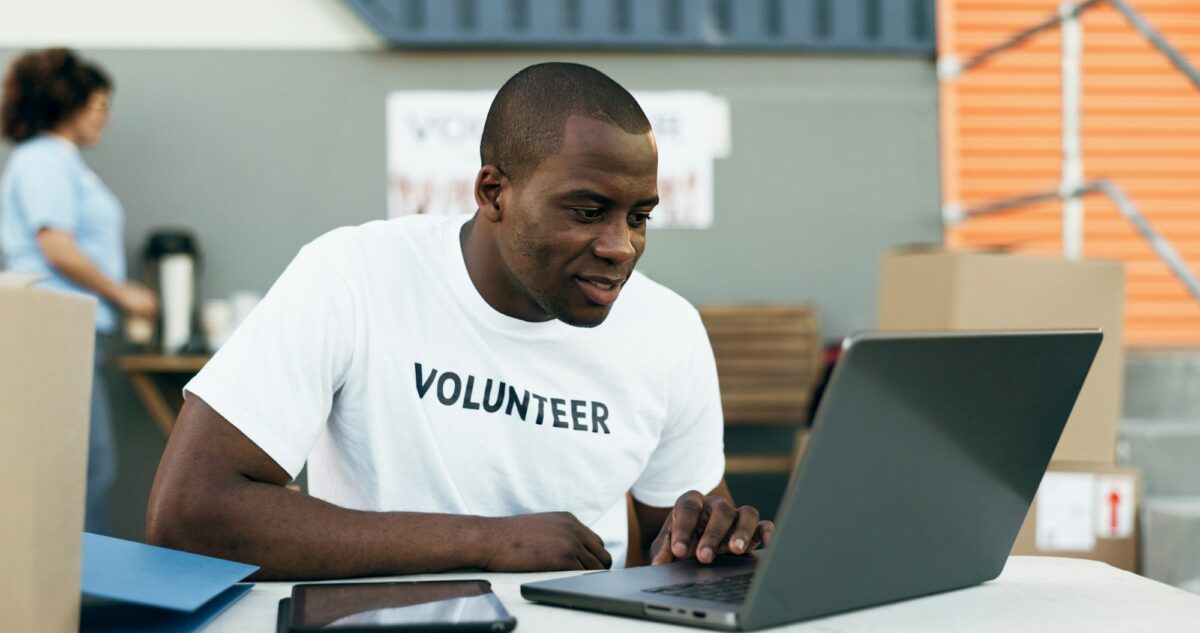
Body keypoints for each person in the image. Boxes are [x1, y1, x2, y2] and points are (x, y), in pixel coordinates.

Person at [146, 62, 773, 579]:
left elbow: (680, 536)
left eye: (639, 217)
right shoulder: (354, 274)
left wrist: (715, 540)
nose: (621, 246)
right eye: (587, 211)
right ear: (493, 192)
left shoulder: (668, 328)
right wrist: (485, 542)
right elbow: (191, 515)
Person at [1, 48, 159, 534]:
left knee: (80, 468)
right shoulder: (45, 161)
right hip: (54, 326)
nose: (104, 118)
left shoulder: (58, 163)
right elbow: (56, 246)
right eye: (99, 105)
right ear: (68, 103)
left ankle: (69, 593)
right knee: (82, 470)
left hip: (67, 328)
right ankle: (74, 600)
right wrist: (122, 293)